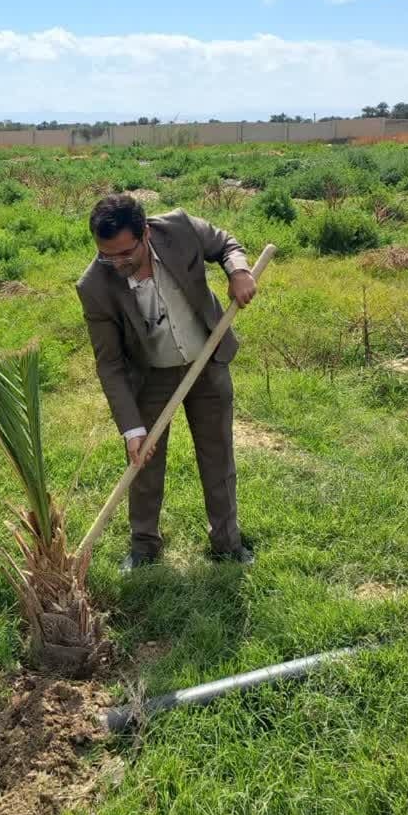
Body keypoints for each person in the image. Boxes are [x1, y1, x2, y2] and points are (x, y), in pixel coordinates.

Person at [77, 194, 258, 573]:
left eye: (126, 253)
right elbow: (109, 363)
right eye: (107, 255)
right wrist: (131, 428)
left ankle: (227, 542)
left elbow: (225, 243)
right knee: (144, 461)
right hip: (151, 375)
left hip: (205, 360)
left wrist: (238, 271)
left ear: (145, 233)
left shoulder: (177, 228)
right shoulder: (95, 285)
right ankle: (144, 546)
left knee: (217, 453)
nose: (118, 263)